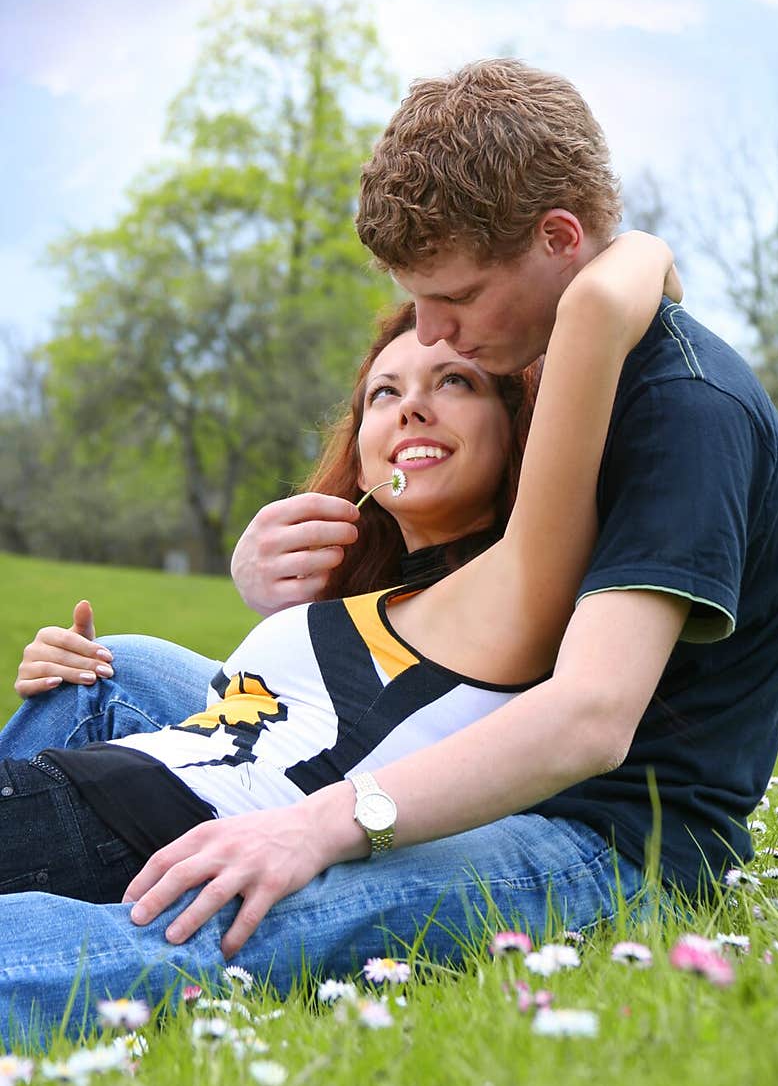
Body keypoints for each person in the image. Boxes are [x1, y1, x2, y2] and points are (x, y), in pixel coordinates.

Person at [0, 229, 677, 1039]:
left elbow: (600, 308)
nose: (412, 405)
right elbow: (252, 720)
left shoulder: (514, 586)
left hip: (125, 828)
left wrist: (633, 243)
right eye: (383, 394)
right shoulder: (356, 604)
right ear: (361, 461)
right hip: (79, 787)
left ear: (519, 435)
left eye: (455, 380)